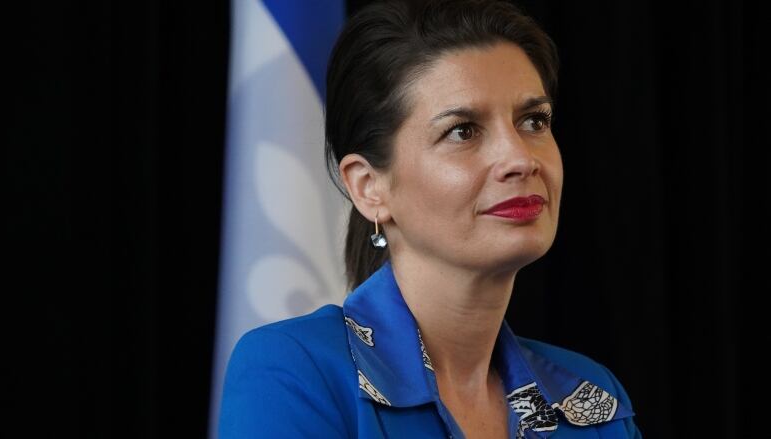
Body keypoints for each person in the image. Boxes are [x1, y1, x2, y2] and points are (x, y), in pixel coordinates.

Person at [219, 0, 641, 437]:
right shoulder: (294, 371)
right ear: (368, 187)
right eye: (463, 131)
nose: (520, 158)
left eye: (534, 121)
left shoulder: (591, 400)